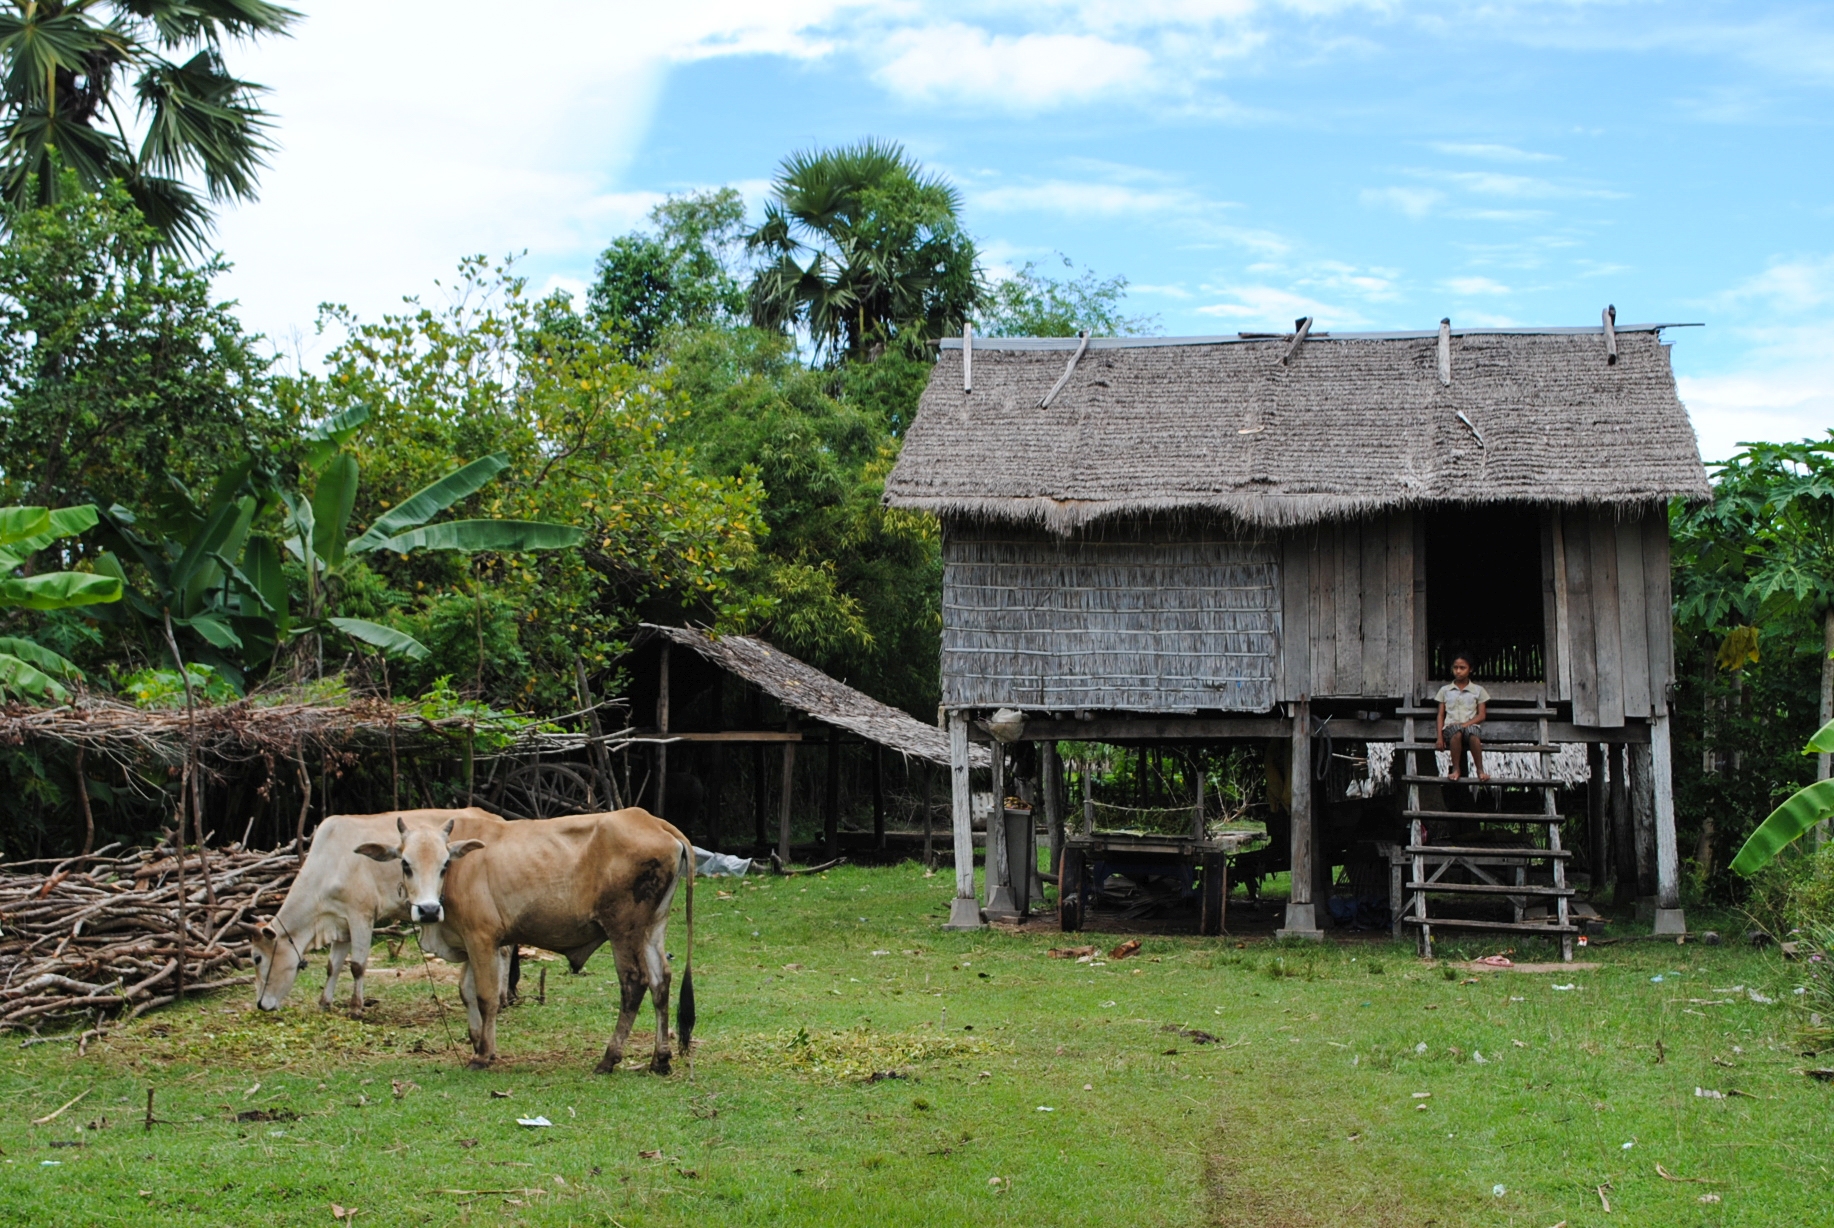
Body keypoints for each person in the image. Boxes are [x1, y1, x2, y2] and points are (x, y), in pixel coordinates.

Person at [1435, 652, 1490, 781]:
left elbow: (1481, 715)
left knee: (1473, 734)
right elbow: (1440, 715)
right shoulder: (1445, 690)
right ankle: (1456, 769)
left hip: (1471, 726)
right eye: (1455, 667)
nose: (1458, 671)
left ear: (1470, 669)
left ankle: (1480, 770)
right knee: (1457, 732)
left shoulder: (1478, 690)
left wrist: (1465, 725)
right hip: (1451, 728)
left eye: (1462, 668)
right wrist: (1439, 737)